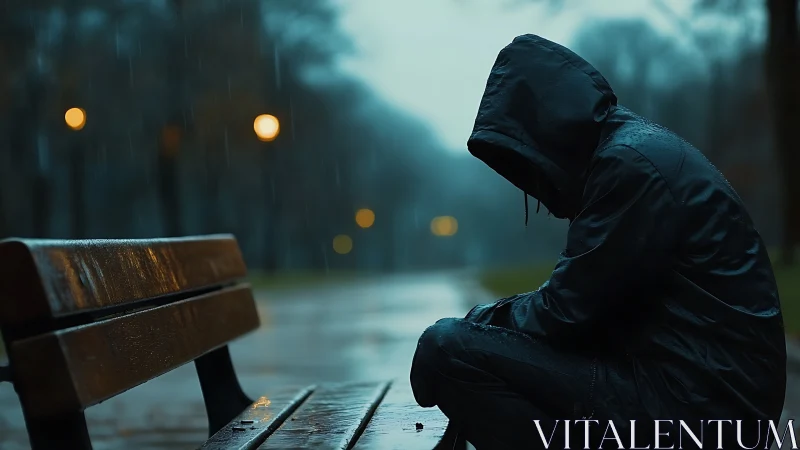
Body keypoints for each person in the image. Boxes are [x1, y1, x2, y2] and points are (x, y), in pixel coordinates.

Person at [410, 34, 787, 449]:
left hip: (700, 409)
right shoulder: (634, 151)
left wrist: (482, 319)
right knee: (469, 346)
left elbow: (564, 314)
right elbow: (586, 309)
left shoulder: (629, 167)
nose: (538, 192)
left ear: (542, 129)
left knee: (445, 347)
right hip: (702, 395)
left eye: (527, 168)